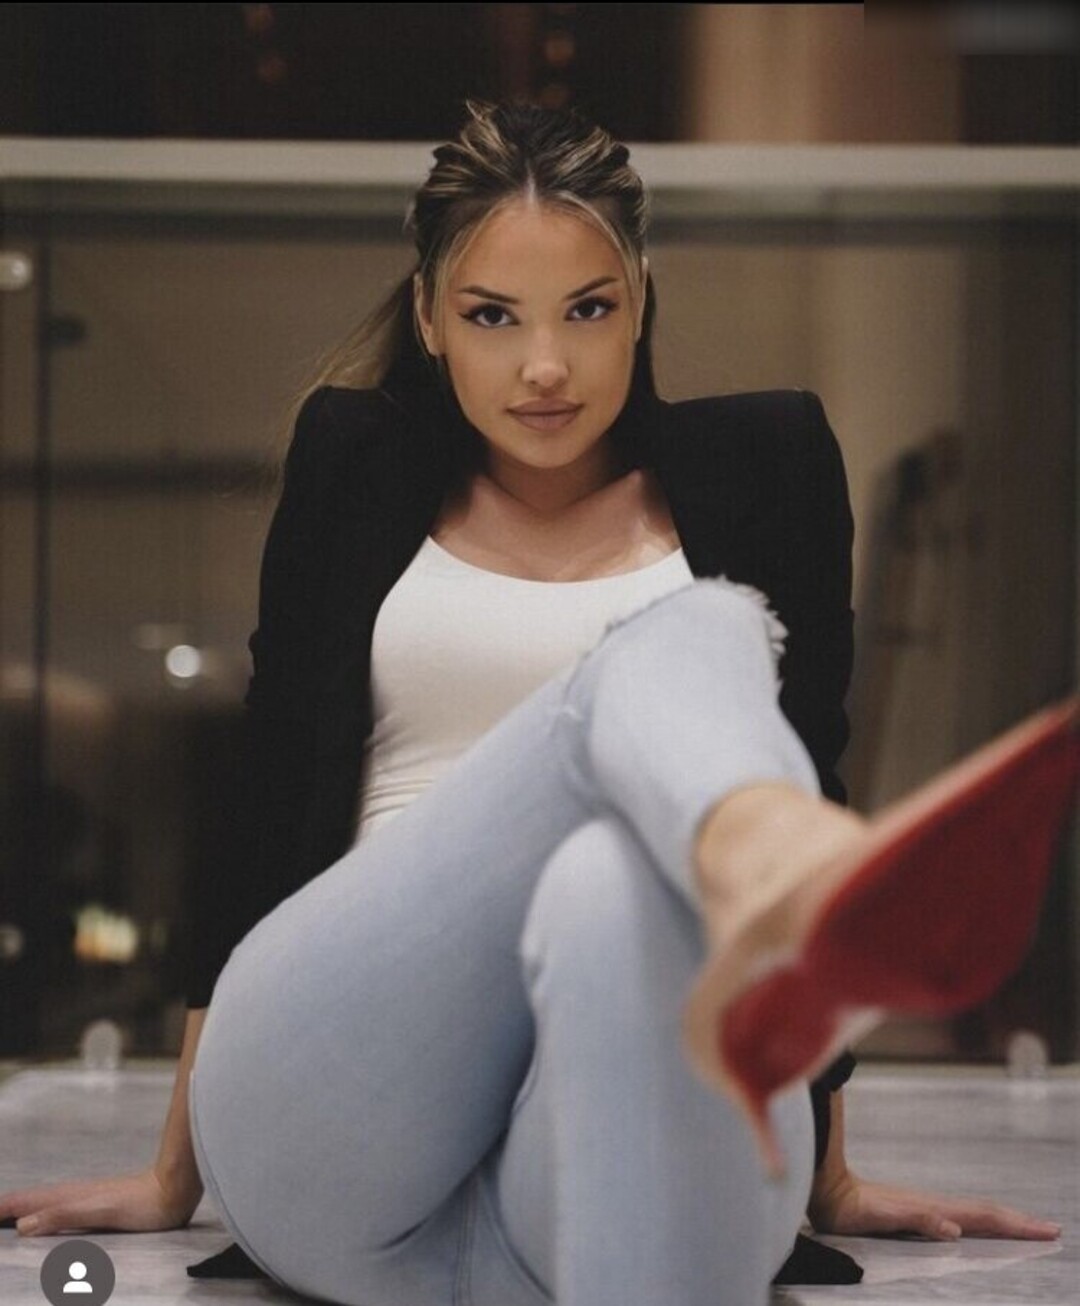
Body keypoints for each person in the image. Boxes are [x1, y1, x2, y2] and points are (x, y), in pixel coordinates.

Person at [2, 99, 1075, 1306]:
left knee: (612, 881)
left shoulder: (768, 463)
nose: (546, 365)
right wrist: (171, 1172)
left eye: (589, 309)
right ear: (428, 318)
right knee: (687, 643)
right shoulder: (353, 462)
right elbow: (264, 805)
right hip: (343, 1120)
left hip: (615, 1152)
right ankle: (782, 865)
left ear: (642, 301)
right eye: (493, 316)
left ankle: (777, 885)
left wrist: (829, 1174)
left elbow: (809, 748)